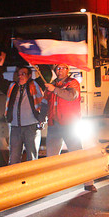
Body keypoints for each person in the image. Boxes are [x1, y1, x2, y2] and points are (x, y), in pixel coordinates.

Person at [44, 64, 97, 192]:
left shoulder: (73, 83)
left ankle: (89, 183)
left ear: (67, 70)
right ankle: (48, 185)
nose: (59, 70)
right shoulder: (51, 84)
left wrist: (54, 89)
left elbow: (71, 96)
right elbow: (45, 103)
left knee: (78, 154)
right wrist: (41, 118)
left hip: (70, 125)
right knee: (51, 158)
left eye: (62, 68)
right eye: (57, 68)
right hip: (54, 124)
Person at [0, 52, 47, 164]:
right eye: (19, 74)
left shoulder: (36, 84)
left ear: (29, 76)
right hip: (15, 128)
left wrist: (36, 60)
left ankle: (33, 180)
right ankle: (15, 180)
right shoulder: (12, 87)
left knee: (32, 158)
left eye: (23, 74)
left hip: (31, 128)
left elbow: (47, 75)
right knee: (13, 159)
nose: (20, 76)